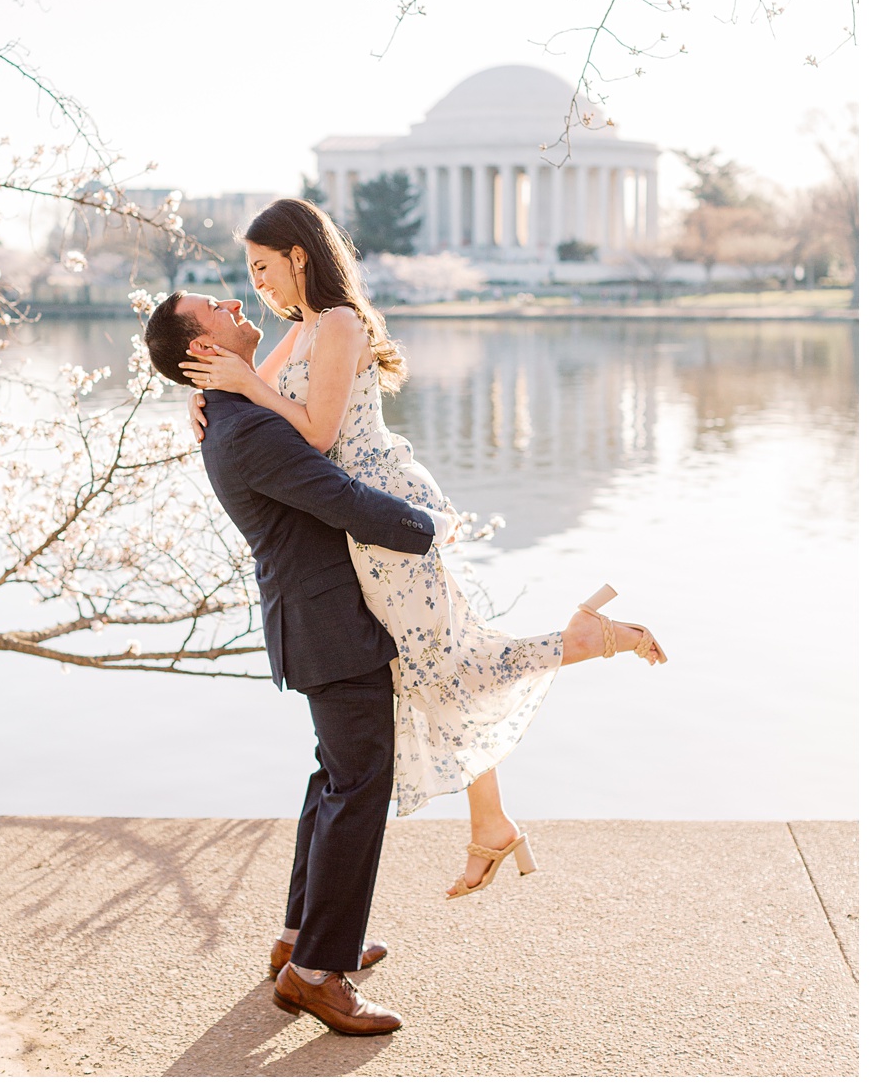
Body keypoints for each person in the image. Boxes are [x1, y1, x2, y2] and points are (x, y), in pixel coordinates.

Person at [165, 198, 666, 904]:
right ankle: (492, 820)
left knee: (437, 662)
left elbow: (313, 432)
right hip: (357, 526)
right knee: (429, 665)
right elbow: (249, 395)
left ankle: (580, 641)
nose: (258, 288)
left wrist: (246, 384)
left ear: (299, 256)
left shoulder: (337, 322)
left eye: (263, 269)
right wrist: (198, 397)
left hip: (382, 515)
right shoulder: (303, 329)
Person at [146, 286, 453, 1035]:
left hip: (312, 620)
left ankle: (299, 941)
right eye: (215, 306)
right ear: (202, 350)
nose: (232, 298)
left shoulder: (234, 411)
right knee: (359, 783)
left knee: (334, 777)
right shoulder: (247, 428)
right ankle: (318, 973)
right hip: (329, 625)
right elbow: (340, 497)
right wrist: (431, 526)